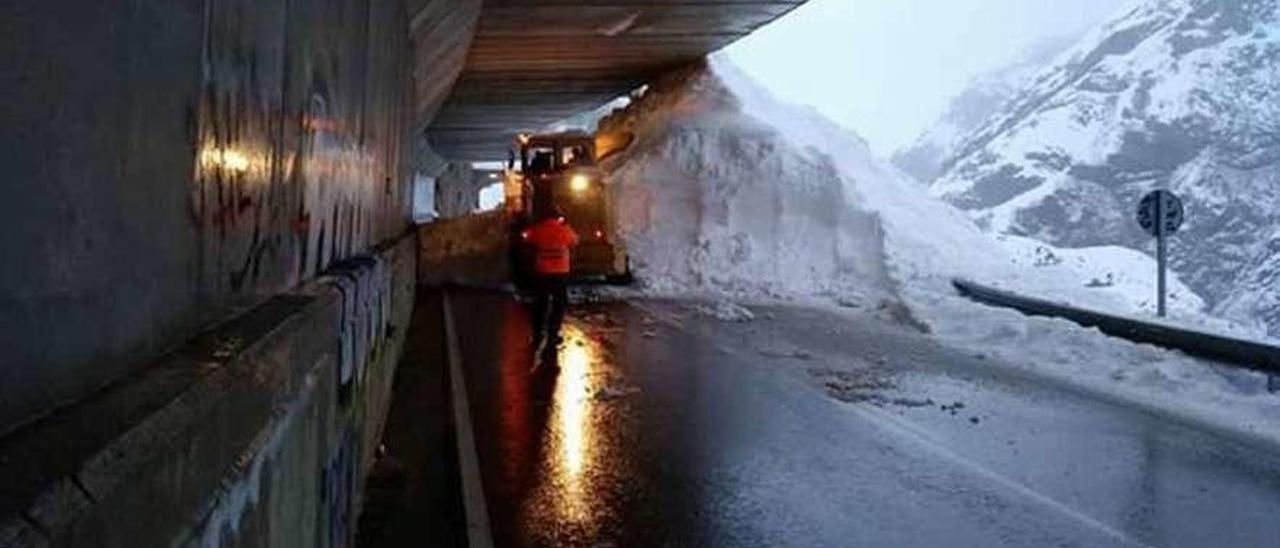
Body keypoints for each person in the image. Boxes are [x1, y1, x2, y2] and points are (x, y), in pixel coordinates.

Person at [523, 203, 579, 365]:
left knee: (541, 303)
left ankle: (537, 332)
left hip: (542, 272)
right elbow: (575, 240)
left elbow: (527, 237)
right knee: (559, 304)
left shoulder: (539, 229)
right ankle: (553, 334)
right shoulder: (564, 229)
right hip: (560, 273)